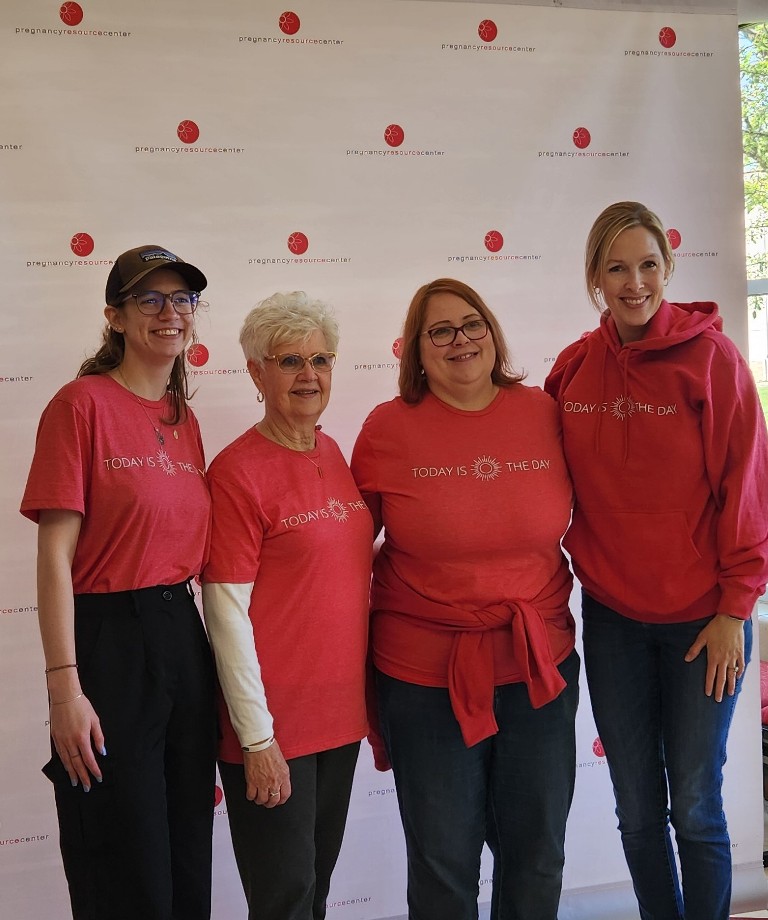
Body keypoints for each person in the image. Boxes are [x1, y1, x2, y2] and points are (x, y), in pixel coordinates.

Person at [544, 200, 768, 920]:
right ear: (595, 278)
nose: (634, 282)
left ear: (668, 268)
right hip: (613, 619)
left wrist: (736, 610)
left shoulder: (712, 360)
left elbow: (747, 489)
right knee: (636, 810)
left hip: (705, 621)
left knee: (696, 804)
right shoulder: (574, 368)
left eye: (647, 265)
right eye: (617, 268)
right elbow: (537, 471)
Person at [350, 278, 579, 920]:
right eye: (441, 331)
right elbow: (343, 547)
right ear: (416, 351)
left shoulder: (543, 413)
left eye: (472, 324)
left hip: (539, 671)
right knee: (443, 866)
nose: (461, 340)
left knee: (537, 857)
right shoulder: (388, 428)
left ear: (493, 333)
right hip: (424, 681)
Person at [20, 245, 217, 920]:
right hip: (109, 644)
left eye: (182, 299)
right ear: (116, 317)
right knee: (124, 866)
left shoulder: (183, 418)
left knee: (186, 858)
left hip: (182, 637)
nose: (170, 313)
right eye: (149, 299)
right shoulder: (80, 406)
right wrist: (64, 689)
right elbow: (54, 556)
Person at [201, 291, 372, 920]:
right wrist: (257, 737)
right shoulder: (236, 472)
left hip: (340, 716)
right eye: (290, 361)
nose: (309, 375)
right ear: (256, 372)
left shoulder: (332, 452)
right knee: (284, 902)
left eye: (320, 360)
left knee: (314, 894)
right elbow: (225, 613)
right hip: (274, 725)